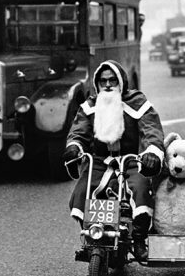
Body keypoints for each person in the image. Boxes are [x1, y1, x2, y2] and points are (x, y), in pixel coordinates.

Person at [62, 60, 165, 261]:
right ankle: (91, 235)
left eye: (112, 80)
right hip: (100, 162)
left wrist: (151, 152)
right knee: (82, 190)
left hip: (132, 160)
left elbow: (151, 130)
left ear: (121, 81)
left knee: (141, 188)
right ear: (97, 84)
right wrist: (74, 147)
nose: (108, 85)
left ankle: (138, 238)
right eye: (103, 81)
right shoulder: (89, 106)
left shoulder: (137, 102)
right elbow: (78, 131)